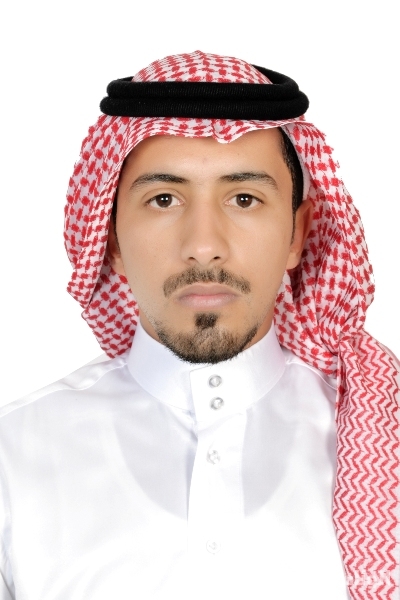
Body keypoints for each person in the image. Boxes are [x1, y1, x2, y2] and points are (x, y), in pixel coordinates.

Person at [0, 51, 398, 600]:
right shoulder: (13, 456)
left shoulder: (384, 438)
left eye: (244, 199)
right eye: (163, 199)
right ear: (111, 240)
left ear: (297, 235)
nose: (204, 245)